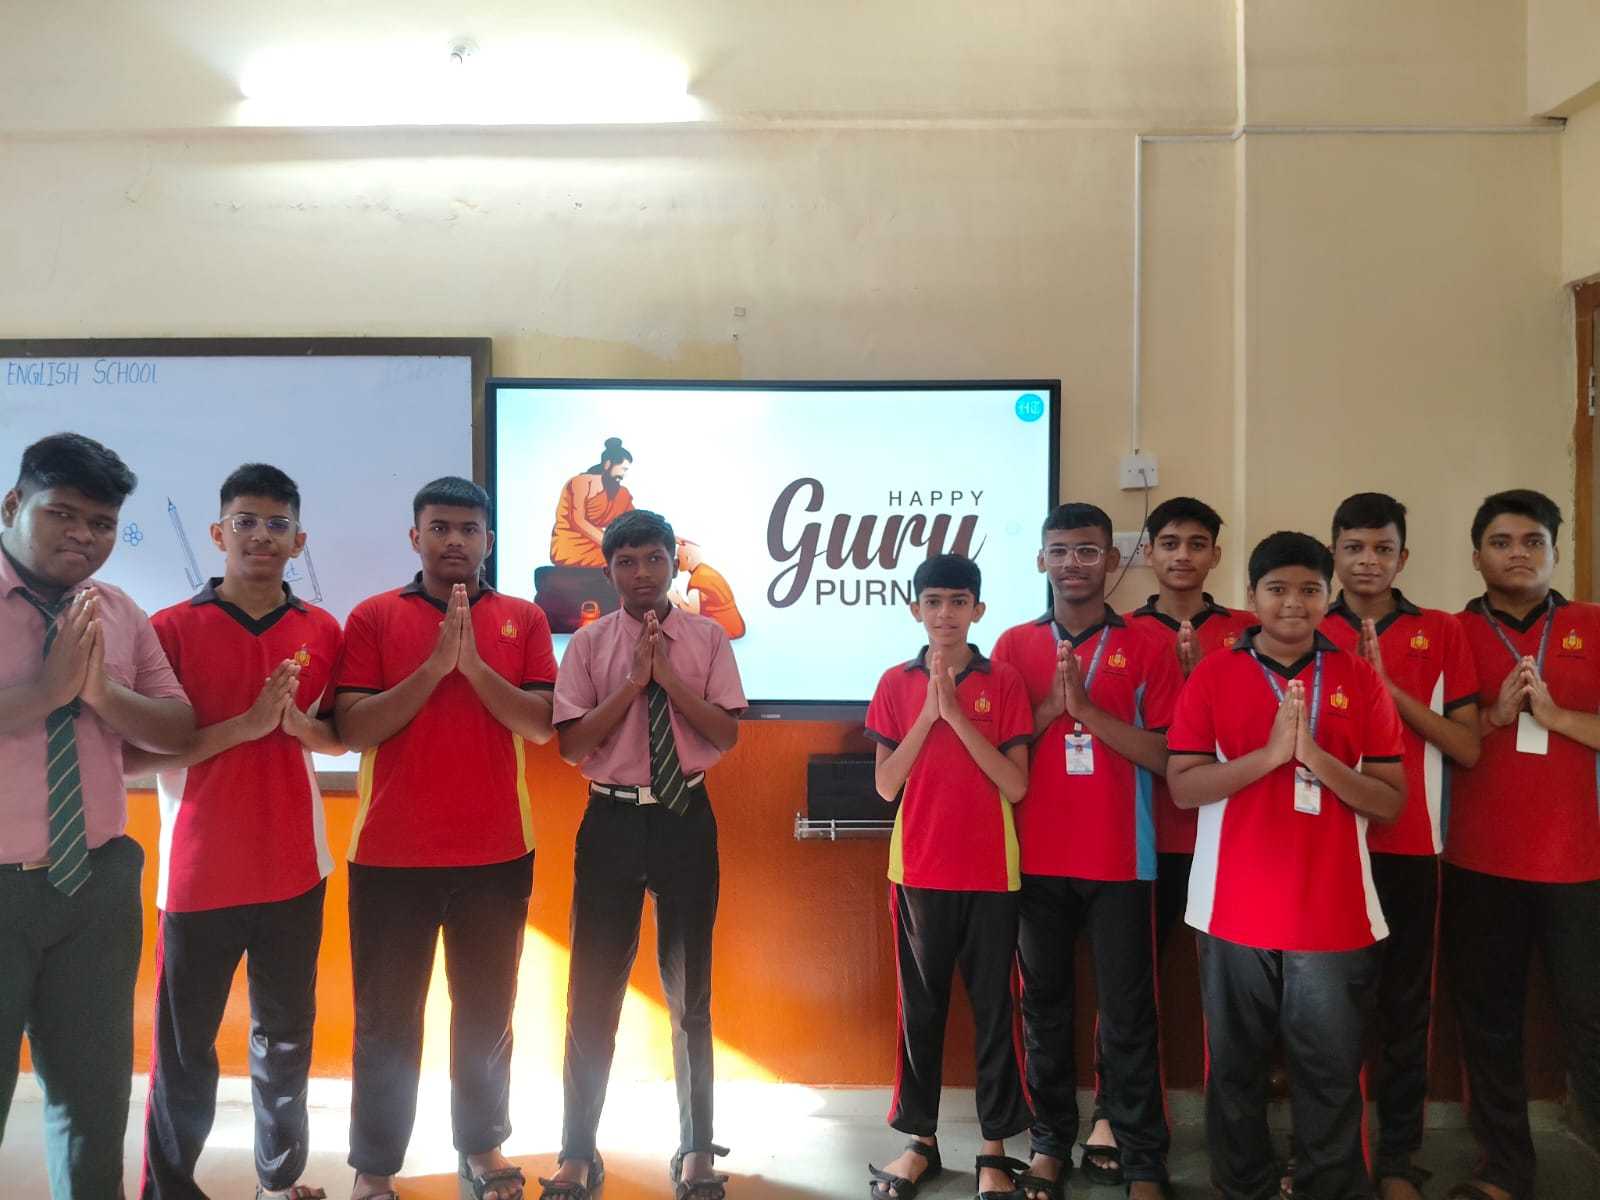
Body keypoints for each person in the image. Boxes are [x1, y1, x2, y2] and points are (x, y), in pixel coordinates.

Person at [334, 476, 557, 1200]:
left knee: (488, 1015)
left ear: (488, 539)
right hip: (390, 855)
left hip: (496, 853)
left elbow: (539, 725)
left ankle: (483, 1147)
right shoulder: (373, 616)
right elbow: (354, 728)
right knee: (385, 1022)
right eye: (440, 528)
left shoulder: (524, 617)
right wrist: (435, 668)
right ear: (416, 537)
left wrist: (474, 668)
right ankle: (374, 1167)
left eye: (468, 529)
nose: (455, 540)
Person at [1166, 531, 1406, 1200]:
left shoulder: (1359, 678)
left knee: (1329, 1070)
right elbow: (1183, 787)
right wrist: (1270, 758)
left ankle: (1331, 1185)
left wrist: (1314, 758)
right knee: (1235, 1070)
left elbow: (1389, 801)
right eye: (1277, 589)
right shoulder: (1215, 675)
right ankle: (1243, 1185)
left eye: (1309, 589)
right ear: (1252, 596)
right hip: (1231, 907)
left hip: (1332, 910)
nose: (1293, 602)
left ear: (1329, 596)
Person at [132, 464, 346, 1200]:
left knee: (284, 1040)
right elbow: (140, 755)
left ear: (298, 541)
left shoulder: (322, 629)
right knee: (185, 1050)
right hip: (198, 876)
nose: (261, 536)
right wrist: (247, 726)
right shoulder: (169, 629)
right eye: (245, 522)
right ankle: (168, 1189)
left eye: (277, 524)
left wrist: (301, 728)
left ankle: (277, 1185)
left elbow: (337, 737)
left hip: (295, 868)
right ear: (218, 533)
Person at [0, 432, 195, 1198]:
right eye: (64, 514)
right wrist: (44, 694)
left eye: (103, 523)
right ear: (13, 506)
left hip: (97, 885)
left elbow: (176, 727)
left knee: (94, 1103)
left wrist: (102, 695)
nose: (84, 535)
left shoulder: (118, 611)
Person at [543, 509, 745, 1200]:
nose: (642, 574)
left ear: (672, 563)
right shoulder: (589, 644)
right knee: (592, 993)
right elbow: (572, 747)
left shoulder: (708, 637)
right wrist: (632, 682)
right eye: (626, 562)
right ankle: (577, 1152)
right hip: (611, 820)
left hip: (687, 816)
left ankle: (695, 1151)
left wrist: (669, 678)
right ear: (608, 571)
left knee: (691, 997)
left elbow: (725, 735)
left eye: (654, 559)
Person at [992, 503, 1181, 1200]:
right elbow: (998, 750)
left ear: (1112, 559)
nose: (1073, 564)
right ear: (1041, 559)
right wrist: (1051, 710)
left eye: (1088, 551)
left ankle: (1142, 1158)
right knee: (1043, 1010)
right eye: (1061, 551)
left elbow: (1167, 756)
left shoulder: (1150, 645)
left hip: (1122, 859)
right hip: (1034, 859)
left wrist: (1089, 714)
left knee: (1128, 1016)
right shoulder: (1013, 645)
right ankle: (1048, 1146)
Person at [1318, 492, 1480, 1200]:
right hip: (1324, 851)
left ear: (1403, 557)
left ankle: (1397, 1160)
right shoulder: (1307, 624)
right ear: (1334, 554)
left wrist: (1386, 689)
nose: (1368, 561)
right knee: (1323, 1016)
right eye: (1354, 548)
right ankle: (1325, 1156)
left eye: (1383, 549)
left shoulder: (1441, 632)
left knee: (1404, 1010)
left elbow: (1467, 747)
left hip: (1412, 847)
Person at [1441, 489, 1600, 1200]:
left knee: (1591, 1019)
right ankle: (1506, 1170)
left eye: (1534, 541)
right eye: (1501, 542)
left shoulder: (1593, 625)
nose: (1518, 554)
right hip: (1478, 862)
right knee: (1490, 1024)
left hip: (1581, 864)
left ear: (1556, 552)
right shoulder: (1449, 634)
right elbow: (1426, 735)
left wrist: (1557, 717)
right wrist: (1495, 715)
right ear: (1476, 556)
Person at [863, 553, 1034, 1200]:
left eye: (958, 602)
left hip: (992, 874)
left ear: (978, 610)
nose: (945, 614)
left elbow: (1016, 784)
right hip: (919, 872)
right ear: (915, 609)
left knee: (995, 1012)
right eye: (932, 601)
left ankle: (995, 1151)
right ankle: (920, 1143)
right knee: (921, 1012)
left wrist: (958, 714)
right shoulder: (894, 682)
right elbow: (886, 786)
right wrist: (929, 714)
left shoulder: (1005, 681)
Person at [550, 438, 635, 568]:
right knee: (623, 560)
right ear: (608, 464)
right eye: (623, 469)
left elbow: (634, 520)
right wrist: (610, 543)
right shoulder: (581, 483)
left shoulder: (621, 493)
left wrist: (657, 534)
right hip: (570, 545)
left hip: (598, 545)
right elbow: (578, 521)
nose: (624, 475)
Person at [670, 540, 746, 640]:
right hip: (738, 626)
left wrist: (678, 601)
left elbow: (693, 614)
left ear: (688, 559)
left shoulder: (696, 582)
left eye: (679, 557)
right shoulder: (706, 571)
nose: (676, 561)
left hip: (725, 630)